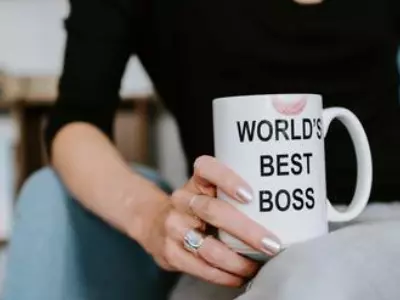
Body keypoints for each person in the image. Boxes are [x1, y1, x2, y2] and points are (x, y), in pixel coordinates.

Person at [4, 0, 400, 299]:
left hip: (381, 225)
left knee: (311, 279)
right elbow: (76, 119)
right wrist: (151, 217)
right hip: (226, 246)